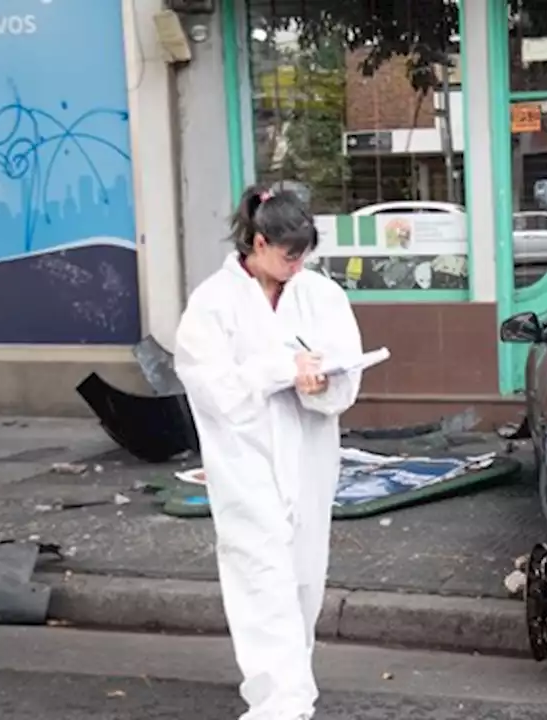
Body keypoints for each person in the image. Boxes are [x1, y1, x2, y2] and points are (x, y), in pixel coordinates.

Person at [174, 184, 364, 720]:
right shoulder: (213, 302)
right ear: (258, 243)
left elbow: (346, 373)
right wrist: (279, 370)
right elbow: (209, 385)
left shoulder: (320, 295)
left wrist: (321, 383)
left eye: (305, 255)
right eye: (288, 255)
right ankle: (278, 699)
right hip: (246, 458)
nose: (298, 266)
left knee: (304, 574)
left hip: (306, 457)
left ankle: (292, 681)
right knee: (260, 574)